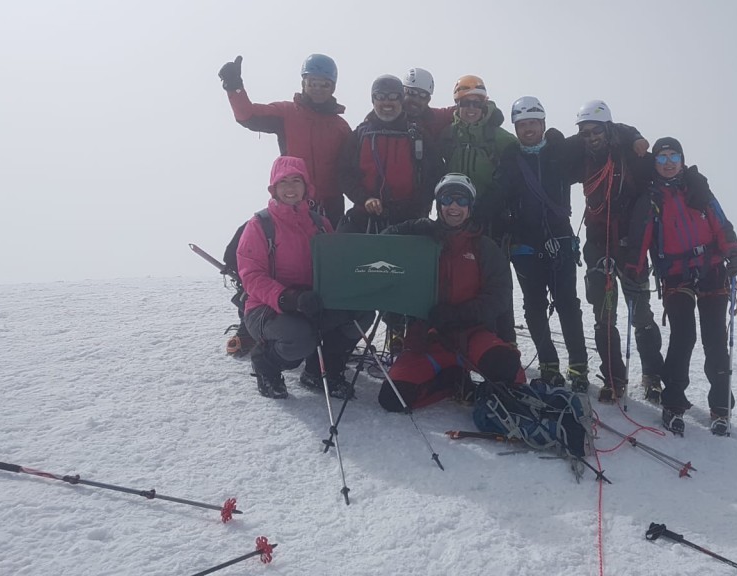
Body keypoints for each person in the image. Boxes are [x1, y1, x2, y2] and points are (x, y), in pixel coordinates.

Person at [624, 138, 737, 436]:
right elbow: (641, 237)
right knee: (683, 337)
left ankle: (720, 407)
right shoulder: (651, 197)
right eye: (661, 158)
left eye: (673, 156)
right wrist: (633, 270)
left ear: (681, 158)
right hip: (676, 275)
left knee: (715, 339)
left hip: (712, 270)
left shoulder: (698, 188)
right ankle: (673, 403)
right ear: (654, 163)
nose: (668, 163)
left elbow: (719, 221)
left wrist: (733, 250)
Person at [378, 174, 524, 412]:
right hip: (429, 338)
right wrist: (413, 226)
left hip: (474, 335)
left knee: (507, 371)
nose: (454, 207)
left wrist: (457, 314)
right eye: (447, 199)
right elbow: (381, 245)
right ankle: (451, 380)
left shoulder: (485, 247)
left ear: (470, 207)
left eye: (461, 201)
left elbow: (499, 296)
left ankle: (475, 374)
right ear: (438, 204)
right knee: (393, 398)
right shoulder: (421, 239)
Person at [236, 156, 373, 399]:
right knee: (299, 338)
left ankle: (319, 373)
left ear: (306, 186)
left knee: (360, 315)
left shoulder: (320, 224)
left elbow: (333, 266)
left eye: (296, 180)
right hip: (267, 307)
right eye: (283, 182)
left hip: (313, 302)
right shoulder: (260, 225)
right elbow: (252, 277)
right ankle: (266, 365)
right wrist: (288, 298)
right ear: (274, 188)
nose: (290, 188)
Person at [565, 100, 664, 404]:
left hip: (631, 248)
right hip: (598, 246)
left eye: (596, 131)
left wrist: (632, 135)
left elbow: (661, 166)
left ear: (608, 129)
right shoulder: (581, 155)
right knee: (603, 315)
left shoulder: (629, 155)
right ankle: (613, 377)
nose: (591, 137)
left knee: (641, 315)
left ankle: (652, 376)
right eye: (585, 132)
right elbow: (555, 148)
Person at [495, 97, 590, 391]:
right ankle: (549, 364)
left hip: (560, 239)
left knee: (567, 305)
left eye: (533, 124)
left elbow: (596, 136)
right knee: (534, 307)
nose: (528, 130)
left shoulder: (560, 153)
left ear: (543, 124)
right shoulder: (510, 161)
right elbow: (497, 199)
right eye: (522, 125)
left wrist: (634, 138)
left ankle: (579, 366)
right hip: (524, 245)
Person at [219, 54, 352, 222]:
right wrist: (234, 87)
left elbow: (353, 167)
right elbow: (248, 116)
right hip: (293, 200)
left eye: (324, 84)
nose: (317, 88)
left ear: (332, 87)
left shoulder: (341, 128)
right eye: (312, 83)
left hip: (331, 207)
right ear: (303, 83)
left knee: (330, 247)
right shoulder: (287, 113)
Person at [439, 74, 518, 344]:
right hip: (455, 215)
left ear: (485, 104)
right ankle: (462, 334)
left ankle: (504, 342)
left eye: (476, 102)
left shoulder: (500, 138)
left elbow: (518, 168)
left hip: (491, 218)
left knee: (495, 279)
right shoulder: (449, 134)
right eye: (464, 103)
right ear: (457, 106)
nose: (471, 108)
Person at [337, 74, 444, 234]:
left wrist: (414, 206)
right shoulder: (360, 135)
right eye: (380, 97)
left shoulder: (418, 136)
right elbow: (343, 173)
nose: (386, 103)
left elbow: (436, 174)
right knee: (339, 247)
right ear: (373, 101)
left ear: (401, 101)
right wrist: (365, 199)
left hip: (408, 220)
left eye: (393, 97)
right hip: (364, 217)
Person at [401, 68, 455, 141]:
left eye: (423, 95)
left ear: (428, 99)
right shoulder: (389, 116)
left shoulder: (434, 119)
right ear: (402, 91)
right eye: (411, 92)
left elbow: (460, 109)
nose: (416, 100)